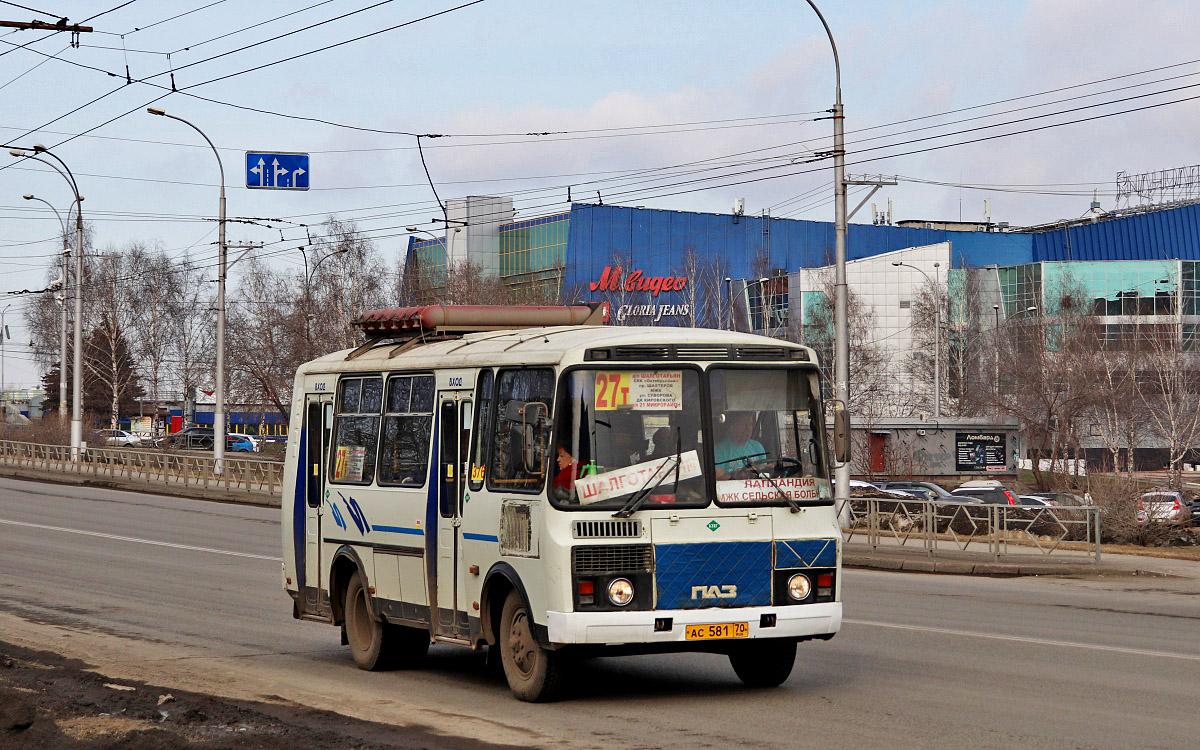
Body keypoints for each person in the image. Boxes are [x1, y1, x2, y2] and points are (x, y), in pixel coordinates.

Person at [714, 412, 765, 479]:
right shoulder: (719, 450)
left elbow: (765, 474)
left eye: (750, 424)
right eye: (743, 425)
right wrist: (735, 475)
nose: (748, 428)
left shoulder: (757, 446)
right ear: (732, 426)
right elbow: (718, 481)